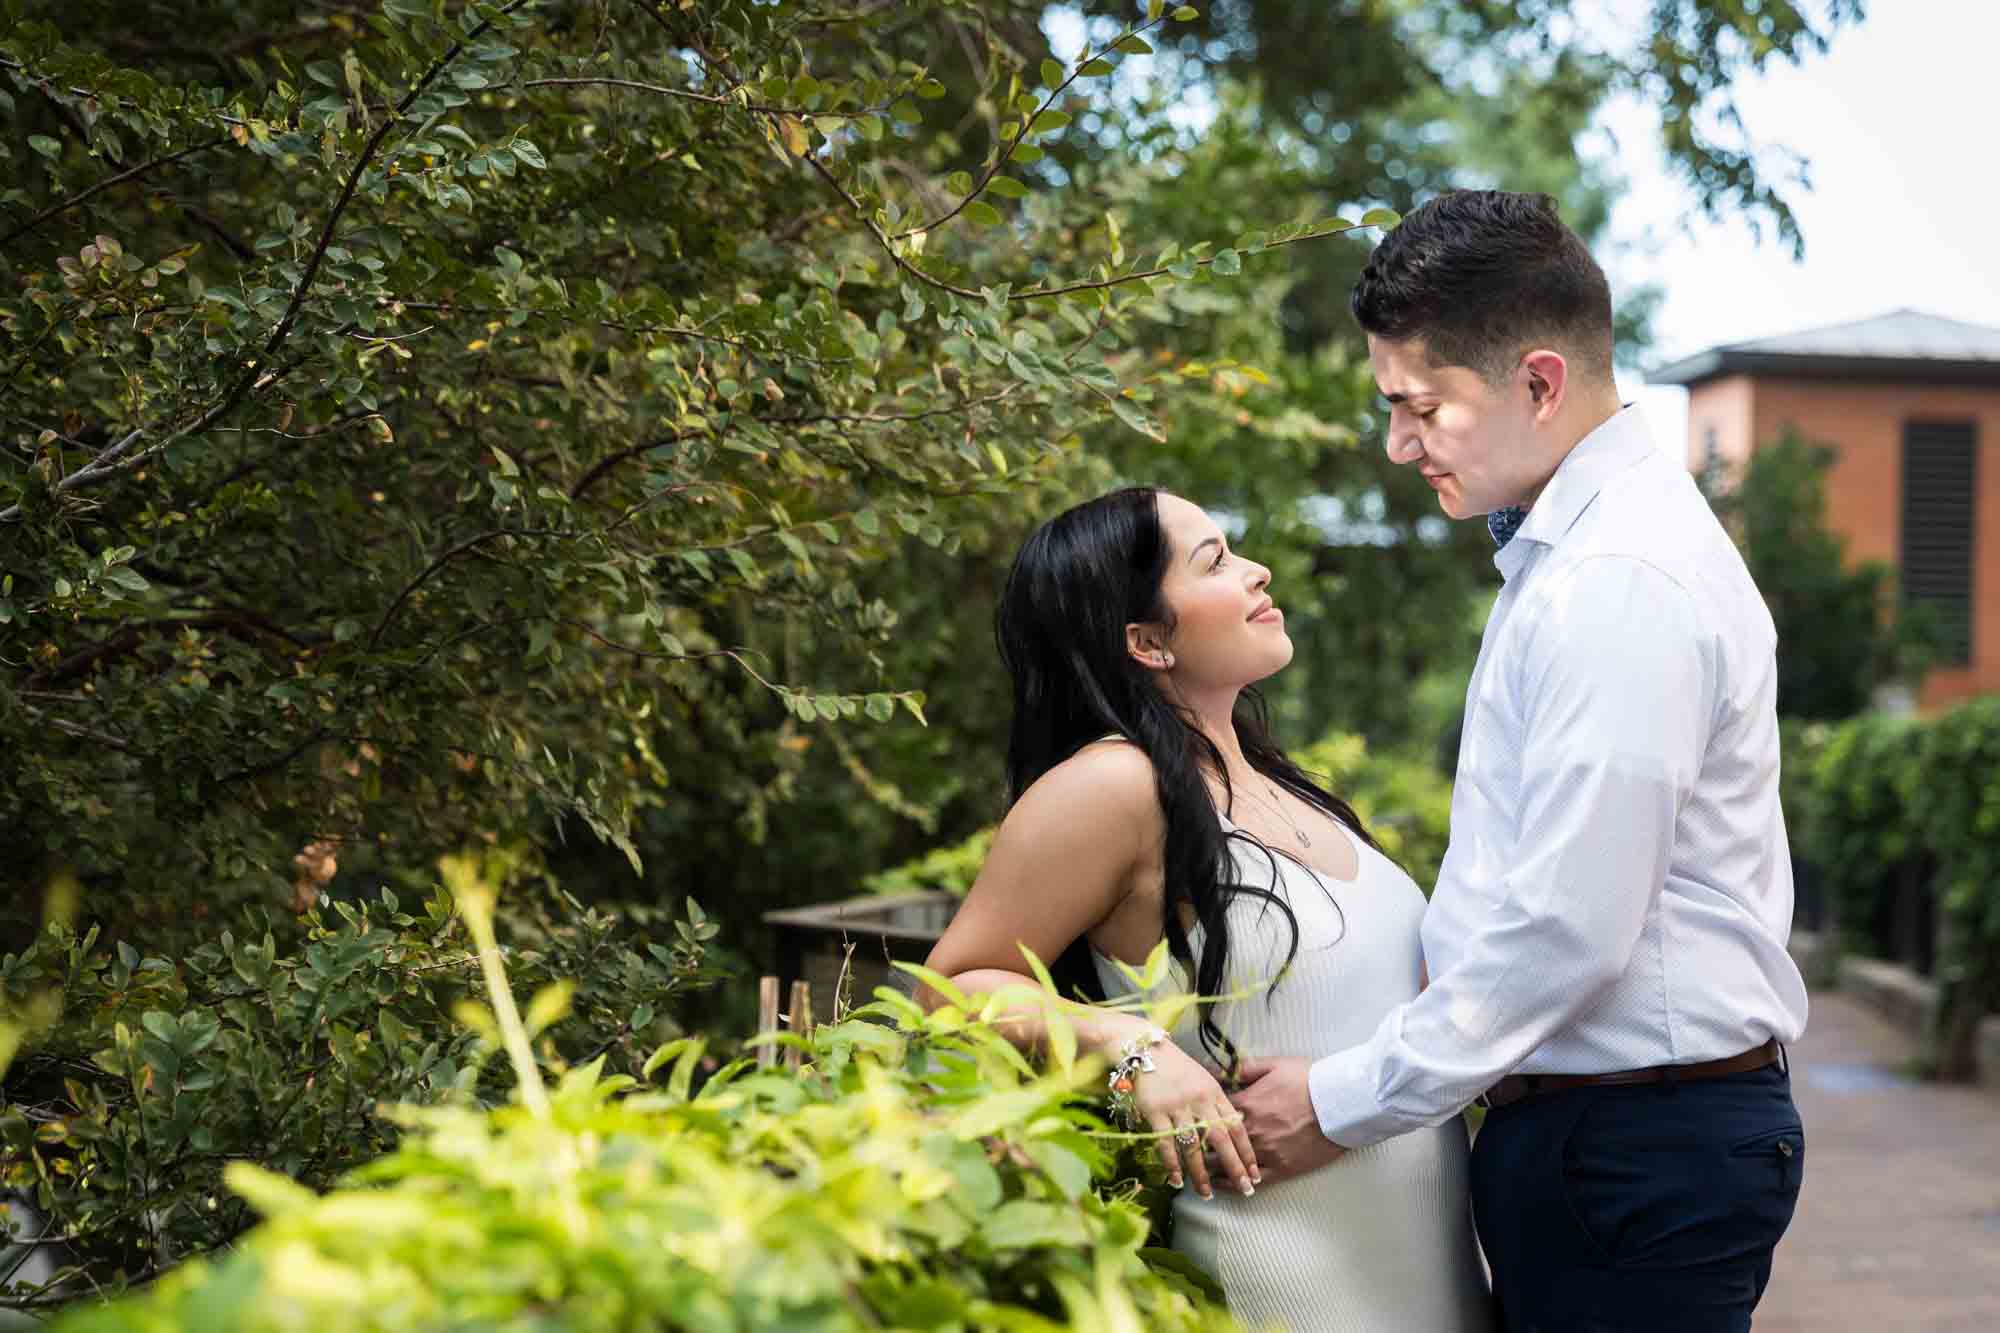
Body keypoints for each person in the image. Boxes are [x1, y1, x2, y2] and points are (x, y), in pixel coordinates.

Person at [1228, 189, 1810, 1332]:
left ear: (1538, 383)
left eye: (1420, 407)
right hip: (1613, 1139)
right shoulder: (1578, 555)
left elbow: (1565, 928)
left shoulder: (1616, 580)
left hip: (1632, 1149)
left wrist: (1339, 1101)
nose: (1397, 443)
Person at [919, 487, 1494, 1332]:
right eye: (1215, 561)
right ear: (1147, 640)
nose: (1257, 571)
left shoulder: (1277, 782)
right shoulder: (1112, 787)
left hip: (1436, 1280)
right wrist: (1128, 1046)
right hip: (1284, 1282)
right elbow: (947, 992)